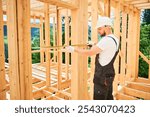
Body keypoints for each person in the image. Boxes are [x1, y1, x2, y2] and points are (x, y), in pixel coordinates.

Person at [64, 17, 119, 100]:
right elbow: (103, 48)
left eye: (100, 29)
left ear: (107, 27)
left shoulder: (106, 40)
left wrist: (73, 49)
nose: (98, 31)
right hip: (109, 76)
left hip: (101, 78)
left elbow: (89, 53)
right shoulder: (115, 39)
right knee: (108, 97)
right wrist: (94, 44)